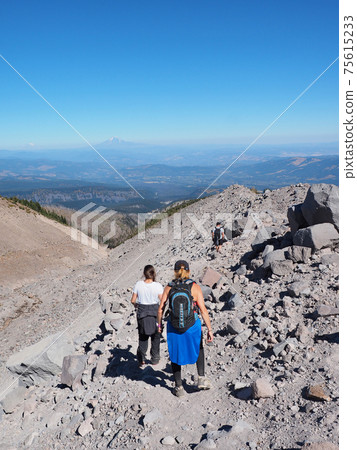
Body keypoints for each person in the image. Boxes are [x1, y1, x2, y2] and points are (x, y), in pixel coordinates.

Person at [157, 260, 214, 397]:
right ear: (188, 271)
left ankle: (179, 387)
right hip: (192, 326)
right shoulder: (194, 287)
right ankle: (201, 378)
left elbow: (160, 310)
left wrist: (159, 326)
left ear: (175, 271)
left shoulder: (169, 287)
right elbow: (203, 310)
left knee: (175, 354)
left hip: (174, 327)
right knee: (199, 347)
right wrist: (210, 330)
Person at [131, 265, 163, 366]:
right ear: (154, 274)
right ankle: (155, 359)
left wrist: (136, 305)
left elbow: (133, 300)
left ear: (144, 274)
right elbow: (162, 300)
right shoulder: (158, 285)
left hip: (142, 311)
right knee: (156, 336)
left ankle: (141, 358)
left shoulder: (138, 284)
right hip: (155, 311)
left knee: (143, 336)